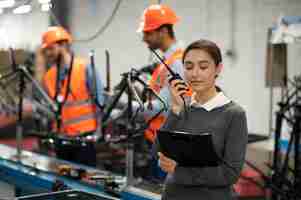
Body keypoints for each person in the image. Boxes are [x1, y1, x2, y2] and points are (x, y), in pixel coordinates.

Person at [156, 39, 248, 200]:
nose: (195, 73)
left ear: (218, 69)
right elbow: (157, 151)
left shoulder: (234, 114)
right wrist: (175, 110)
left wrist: (179, 170)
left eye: (203, 67)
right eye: (189, 66)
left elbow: (229, 174)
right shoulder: (182, 107)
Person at [41, 26, 105, 166]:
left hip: (84, 137)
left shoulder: (85, 67)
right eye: (45, 50)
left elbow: (100, 101)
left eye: (51, 49)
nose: (48, 53)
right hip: (61, 138)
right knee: (62, 179)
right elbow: (52, 108)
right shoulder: (49, 76)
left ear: (63, 45)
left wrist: (100, 131)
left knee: (86, 181)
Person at [137, 4, 191, 144]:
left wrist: (132, 109)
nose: (144, 39)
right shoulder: (167, 61)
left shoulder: (177, 63)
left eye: (148, 33)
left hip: (170, 144)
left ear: (164, 31)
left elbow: (164, 107)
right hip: (162, 139)